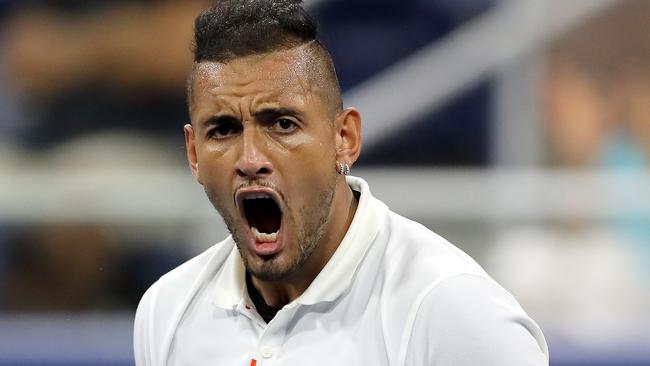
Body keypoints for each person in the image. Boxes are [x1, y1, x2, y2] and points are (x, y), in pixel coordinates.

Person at [133, 1, 549, 364]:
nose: (250, 160)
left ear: (344, 139)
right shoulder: (167, 312)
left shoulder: (451, 312)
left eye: (281, 124)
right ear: (193, 154)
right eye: (222, 130)